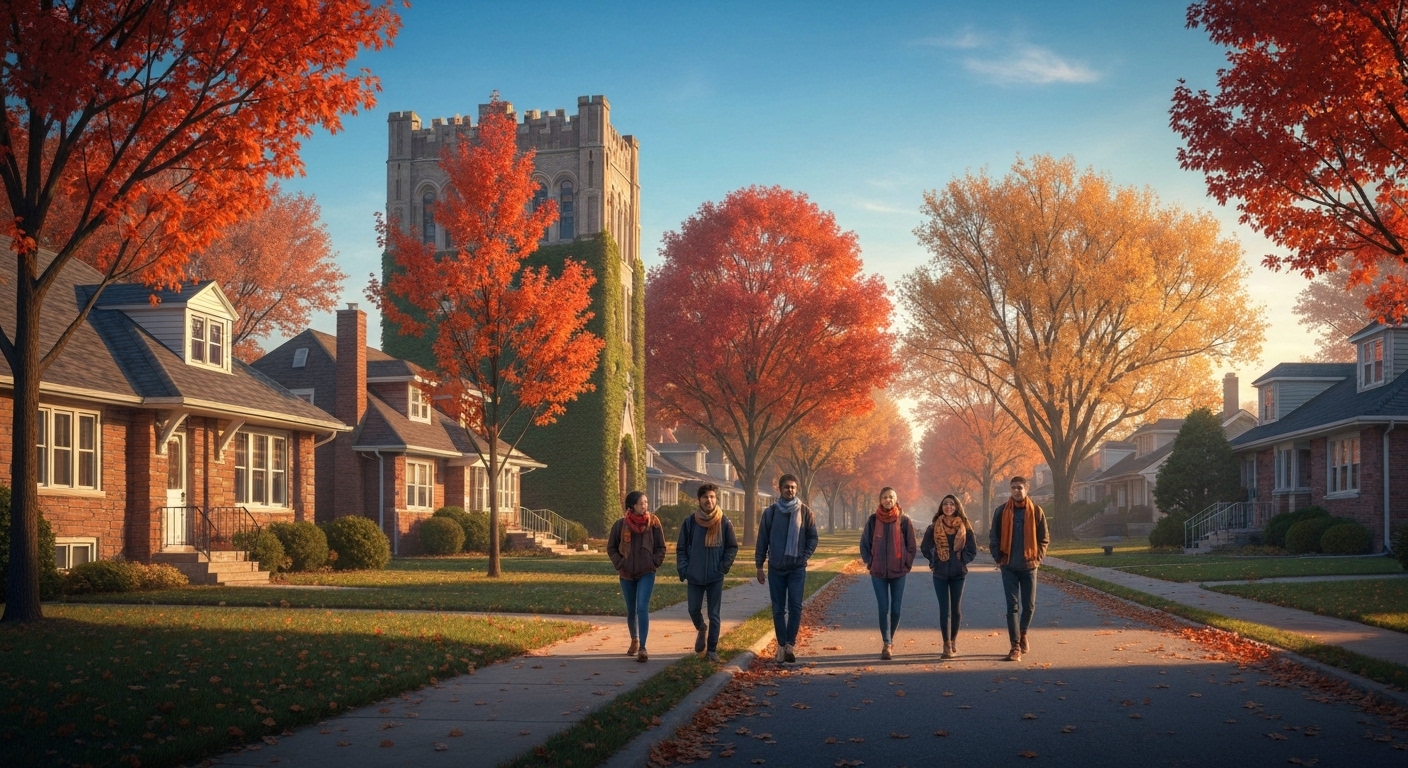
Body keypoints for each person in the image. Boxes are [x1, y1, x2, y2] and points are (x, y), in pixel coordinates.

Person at [755, 474, 819, 663]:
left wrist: (804, 556)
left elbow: (813, 538)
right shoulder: (771, 513)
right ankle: (781, 645)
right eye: (786, 487)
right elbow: (762, 540)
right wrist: (759, 565)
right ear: (780, 489)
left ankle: (790, 644)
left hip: (797, 569)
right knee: (777, 609)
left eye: (792, 487)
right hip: (776, 568)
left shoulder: (806, 512)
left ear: (796, 489)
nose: (790, 490)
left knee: (795, 607)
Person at [988, 476, 1050, 662]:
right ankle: (1015, 646)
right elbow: (993, 537)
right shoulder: (1001, 512)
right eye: (1014, 487)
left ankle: (1023, 633)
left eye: (1020, 487)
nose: (1017, 490)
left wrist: (1038, 557)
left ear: (1026, 489)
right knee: (1012, 607)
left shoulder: (1036, 511)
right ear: (1010, 489)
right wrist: (998, 557)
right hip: (1008, 566)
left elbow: (1044, 538)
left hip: (1029, 566)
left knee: (1029, 606)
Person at [676, 483, 740, 663]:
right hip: (694, 576)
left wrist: (722, 568)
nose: (709, 500)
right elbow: (681, 548)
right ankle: (701, 628)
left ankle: (712, 650)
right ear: (699, 500)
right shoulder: (690, 523)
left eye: (712, 497)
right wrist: (684, 569)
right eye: (705, 497)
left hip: (715, 576)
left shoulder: (724, 522)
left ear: (716, 499)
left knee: (714, 614)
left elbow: (732, 547)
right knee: (693, 609)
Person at [608, 490, 667, 663]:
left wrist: (654, 562)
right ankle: (634, 639)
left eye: (646, 503)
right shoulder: (620, 525)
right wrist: (620, 564)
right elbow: (611, 548)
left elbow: (661, 547)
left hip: (646, 573)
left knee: (642, 607)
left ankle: (643, 647)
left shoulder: (653, 524)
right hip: (626, 574)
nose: (645, 506)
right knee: (631, 610)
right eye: (642, 503)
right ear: (632, 506)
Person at [860, 486, 917, 660]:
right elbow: (864, 544)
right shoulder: (872, 520)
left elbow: (912, 546)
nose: (888, 500)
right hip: (878, 573)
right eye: (884, 497)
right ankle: (887, 643)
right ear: (880, 500)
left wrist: (906, 563)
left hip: (899, 572)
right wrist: (870, 561)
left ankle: (890, 639)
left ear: (896, 499)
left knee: (896, 609)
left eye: (891, 497)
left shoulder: (904, 521)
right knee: (883, 608)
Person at [920, 494, 977, 659]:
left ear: (957, 507)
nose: (949, 507)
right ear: (941, 507)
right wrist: (934, 558)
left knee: (956, 610)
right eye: (946, 504)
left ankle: (953, 641)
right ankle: (946, 644)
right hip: (940, 573)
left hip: (959, 574)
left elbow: (972, 549)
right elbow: (925, 547)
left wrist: (962, 560)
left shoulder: (965, 526)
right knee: (944, 609)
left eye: (952, 504)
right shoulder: (933, 527)